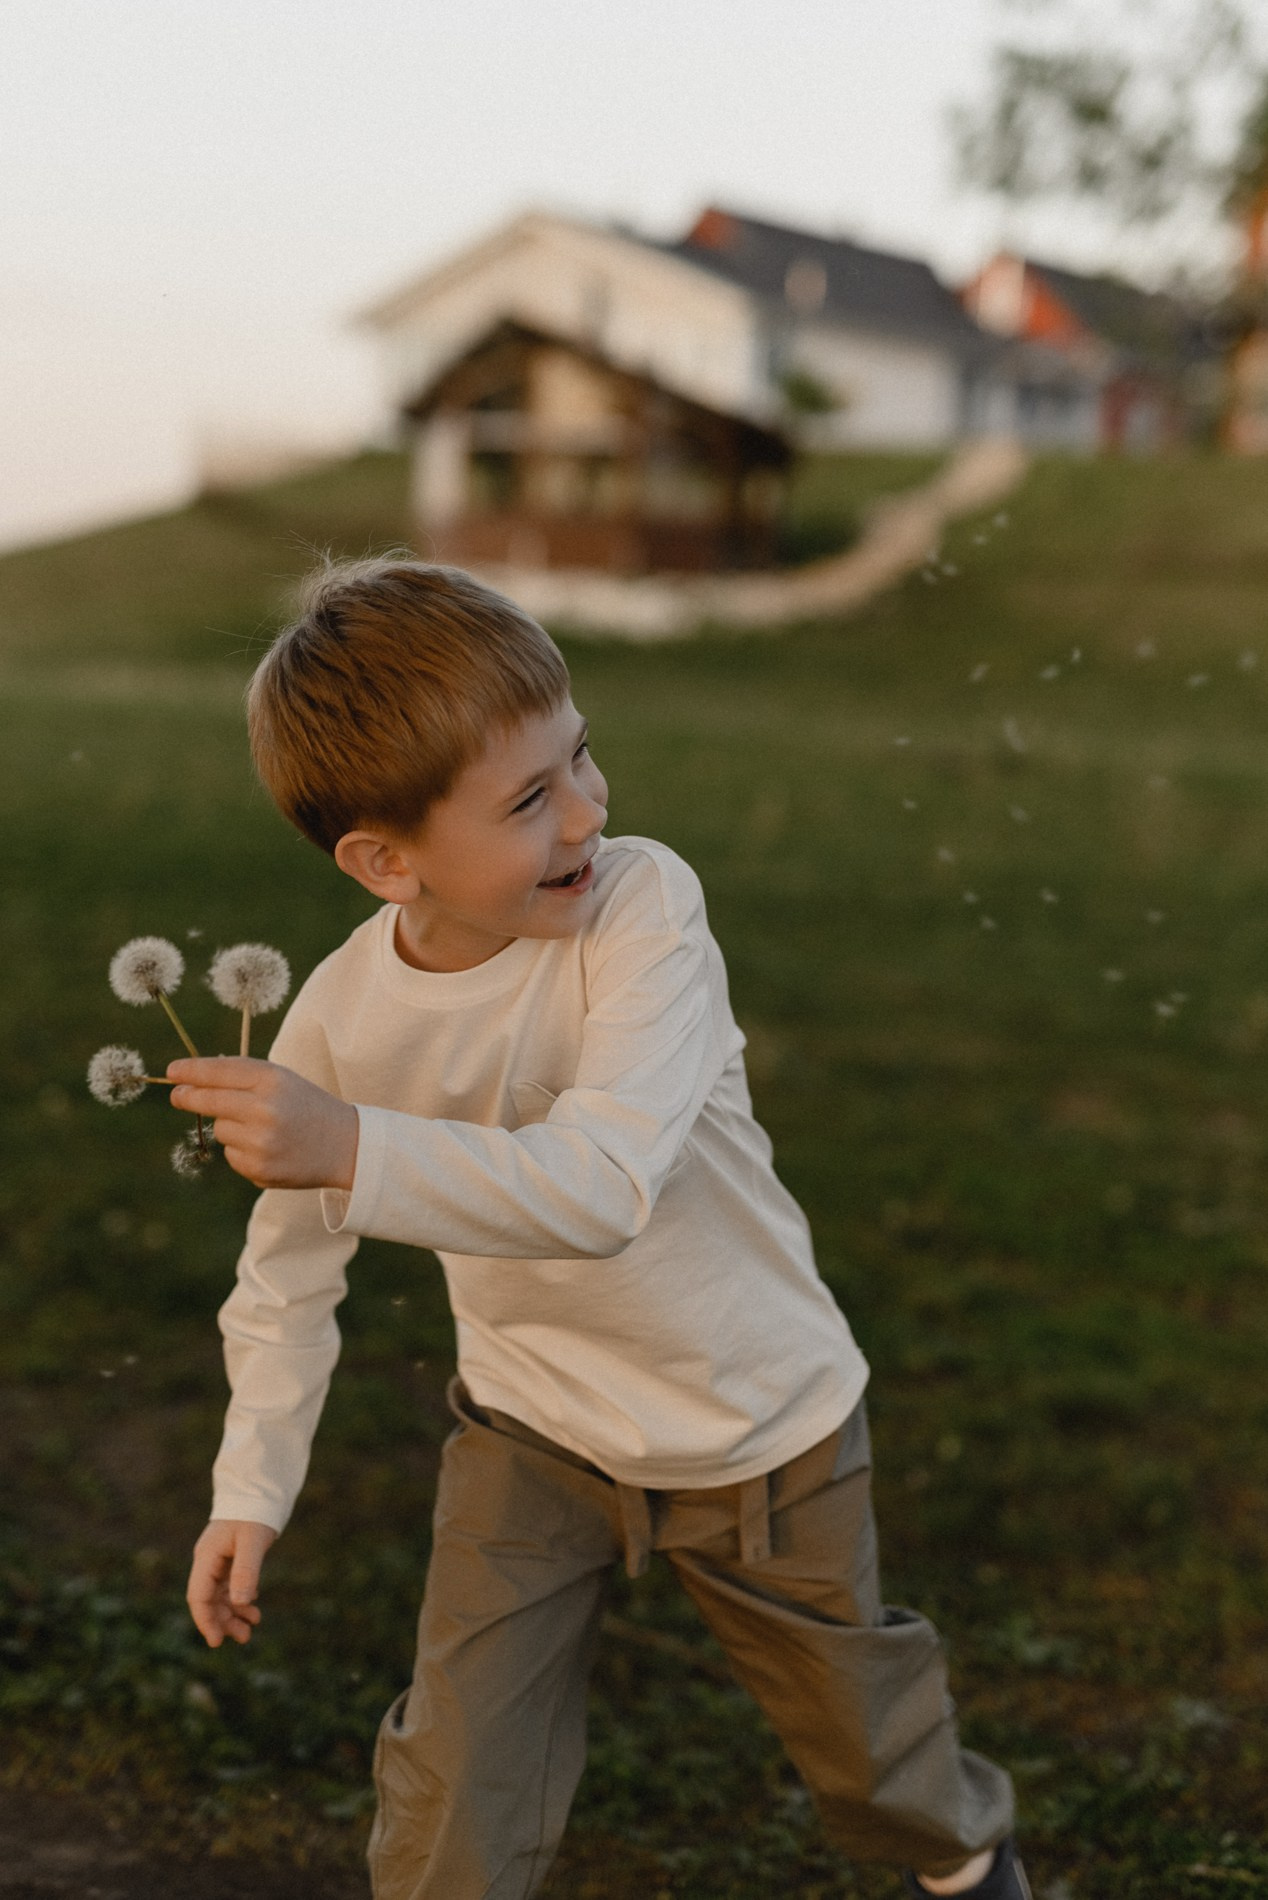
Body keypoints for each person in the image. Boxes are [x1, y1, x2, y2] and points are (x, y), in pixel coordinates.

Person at [169, 558, 1030, 1900]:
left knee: (879, 1773)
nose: (585, 810)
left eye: (580, 757)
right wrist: (250, 1486)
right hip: (532, 1432)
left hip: (757, 1428)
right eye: (527, 800)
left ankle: (969, 1861)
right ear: (388, 862)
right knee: (456, 1786)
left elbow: (602, 1188)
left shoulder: (643, 910)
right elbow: (287, 1277)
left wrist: (349, 1146)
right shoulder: (341, 1020)